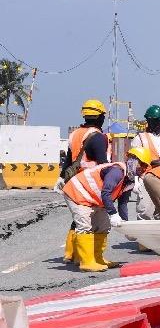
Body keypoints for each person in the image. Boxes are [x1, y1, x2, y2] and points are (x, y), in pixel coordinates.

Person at [61, 153, 151, 272]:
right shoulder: (117, 172)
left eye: (145, 166)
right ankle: (87, 262)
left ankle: (97, 259)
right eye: (142, 164)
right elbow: (106, 193)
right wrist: (113, 214)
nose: (142, 168)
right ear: (133, 161)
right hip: (78, 193)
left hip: (94, 199)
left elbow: (123, 203)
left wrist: (124, 224)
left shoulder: (129, 180)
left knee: (103, 226)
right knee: (85, 225)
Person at [57, 99, 112, 262]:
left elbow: (68, 161)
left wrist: (61, 178)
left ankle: (71, 252)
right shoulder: (98, 137)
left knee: (78, 218)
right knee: (92, 220)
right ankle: (89, 257)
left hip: (74, 182)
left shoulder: (74, 134)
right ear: (100, 117)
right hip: (90, 184)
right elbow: (102, 164)